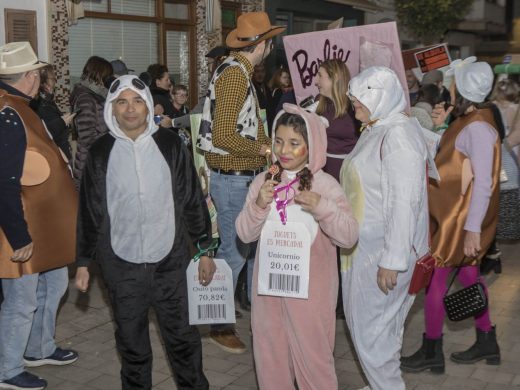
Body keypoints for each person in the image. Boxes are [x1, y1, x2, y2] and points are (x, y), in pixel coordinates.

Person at [74, 75, 216, 390]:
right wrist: (83, 261)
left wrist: (206, 251)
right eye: (122, 102)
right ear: (112, 107)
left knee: (184, 341)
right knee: (132, 346)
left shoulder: (170, 144)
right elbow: (90, 209)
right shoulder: (101, 151)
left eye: (137, 101)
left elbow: (193, 199)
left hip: (171, 262)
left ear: (148, 105)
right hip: (121, 266)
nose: (130, 109)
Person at [236, 104, 358, 389]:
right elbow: (243, 235)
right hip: (268, 294)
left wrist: (322, 207)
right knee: (270, 362)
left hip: (310, 298)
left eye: (294, 143)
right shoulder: (263, 182)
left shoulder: (325, 185)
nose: (284, 150)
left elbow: (349, 236)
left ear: (312, 145)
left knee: (315, 364)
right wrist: (258, 206)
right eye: (278, 141)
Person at [401, 57, 501, 374]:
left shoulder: (479, 128)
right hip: (453, 216)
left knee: (437, 284)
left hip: (458, 221)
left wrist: (473, 230)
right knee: (470, 276)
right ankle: (487, 340)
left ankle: (432, 349)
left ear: (462, 88)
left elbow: (485, 182)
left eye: (454, 82)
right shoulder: (471, 119)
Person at [196, 11, 284, 353]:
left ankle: (234, 314)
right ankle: (220, 326)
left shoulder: (235, 71)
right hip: (232, 177)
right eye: (270, 41)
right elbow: (223, 135)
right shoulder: (235, 75)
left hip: (236, 176)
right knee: (233, 254)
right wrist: (264, 148)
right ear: (264, 45)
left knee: (240, 252)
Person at [340, 66, 429, 390]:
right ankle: (383, 385)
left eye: (360, 99)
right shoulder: (378, 127)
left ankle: (388, 386)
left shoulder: (398, 136)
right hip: (366, 251)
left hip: (384, 255)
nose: (354, 106)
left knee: (371, 334)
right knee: (378, 332)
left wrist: (392, 260)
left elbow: (405, 203)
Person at [0, 41, 78, 390]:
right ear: (30, 76)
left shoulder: (20, 106)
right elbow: (4, 182)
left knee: (56, 282)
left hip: (44, 227)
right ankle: (8, 369)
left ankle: (39, 348)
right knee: (21, 301)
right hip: (22, 230)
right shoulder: (8, 113)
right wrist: (19, 237)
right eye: (38, 73)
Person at [480, 78, 520, 274]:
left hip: (496, 157)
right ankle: (492, 253)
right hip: (509, 158)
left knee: (489, 206)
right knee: (499, 205)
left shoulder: (489, 107)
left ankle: (491, 253)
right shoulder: (515, 108)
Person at [70, 55, 113, 188]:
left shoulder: (94, 94)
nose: (107, 80)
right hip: (90, 162)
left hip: (96, 159)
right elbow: (87, 137)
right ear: (98, 74)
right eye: (106, 76)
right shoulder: (86, 98)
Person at [314, 59, 358, 181]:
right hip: (323, 171)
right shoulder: (318, 102)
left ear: (335, 77)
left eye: (320, 75)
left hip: (349, 172)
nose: (315, 81)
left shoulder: (354, 105)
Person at [30, 64, 74, 161]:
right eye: (53, 78)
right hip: (56, 154)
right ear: (44, 82)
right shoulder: (41, 103)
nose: (55, 81)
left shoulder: (45, 100)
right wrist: (62, 122)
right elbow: (46, 132)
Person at [147, 63, 174, 128]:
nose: (169, 82)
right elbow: (157, 124)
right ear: (158, 82)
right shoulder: (158, 99)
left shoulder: (150, 96)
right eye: (166, 80)